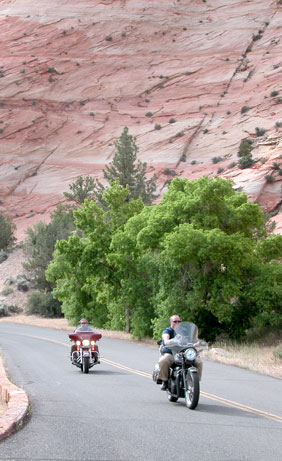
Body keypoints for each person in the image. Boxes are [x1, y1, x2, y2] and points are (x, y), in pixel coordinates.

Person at [158, 314, 181, 390]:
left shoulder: (183, 332)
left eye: (178, 321)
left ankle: (194, 380)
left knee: (198, 361)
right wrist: (167, 341)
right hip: (171, 353)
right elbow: (165, 337)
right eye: (175, 321)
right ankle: (164, 380)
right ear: (171, 322)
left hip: (182, 353)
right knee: (163, 360)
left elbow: (191, 339)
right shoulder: (167, 331)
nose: (177, 323)